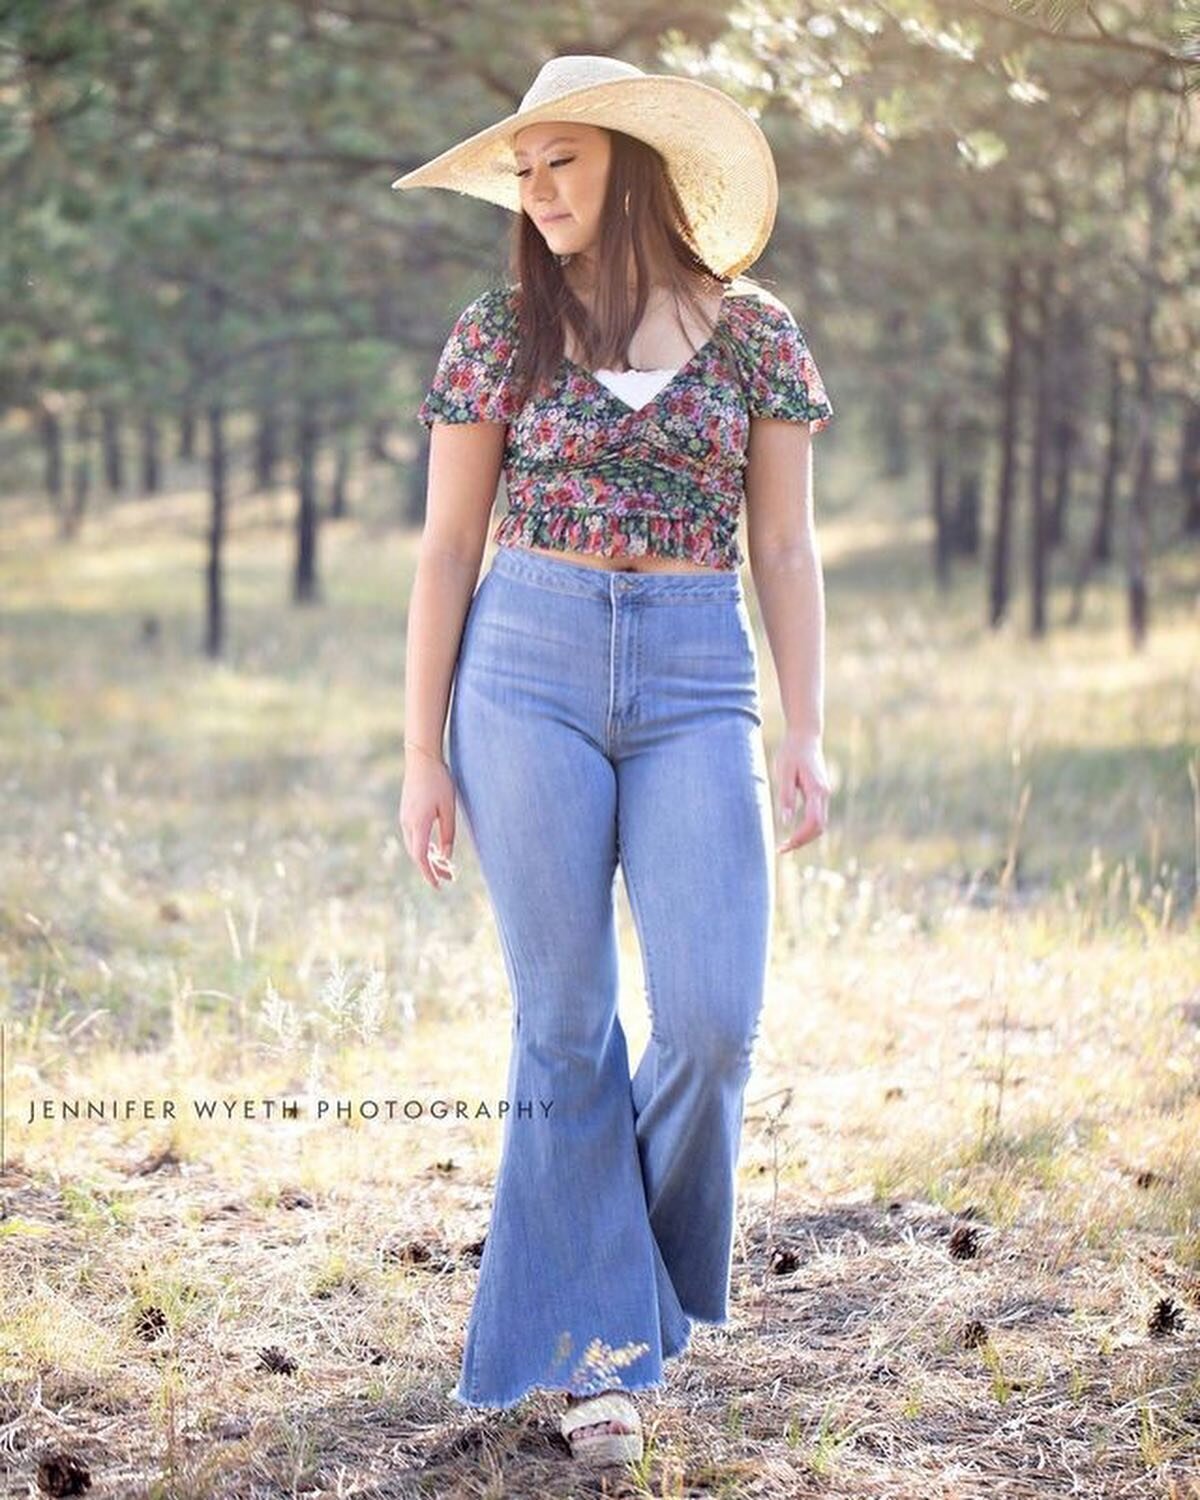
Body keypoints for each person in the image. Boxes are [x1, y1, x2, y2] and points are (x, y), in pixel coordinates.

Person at [392, 54, 833, 1467]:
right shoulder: (496, 332)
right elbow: (449, 548)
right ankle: (599, 1355)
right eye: (524, 168)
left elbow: (783, 546)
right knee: (565, 1019)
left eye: (560, 160)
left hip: (701, 671)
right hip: (524, 663)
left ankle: (613, 1272)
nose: (537, 190)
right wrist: (421, 750)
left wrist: (808, 728)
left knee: (710, 1022)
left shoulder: (757, 336)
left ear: (633, 163)